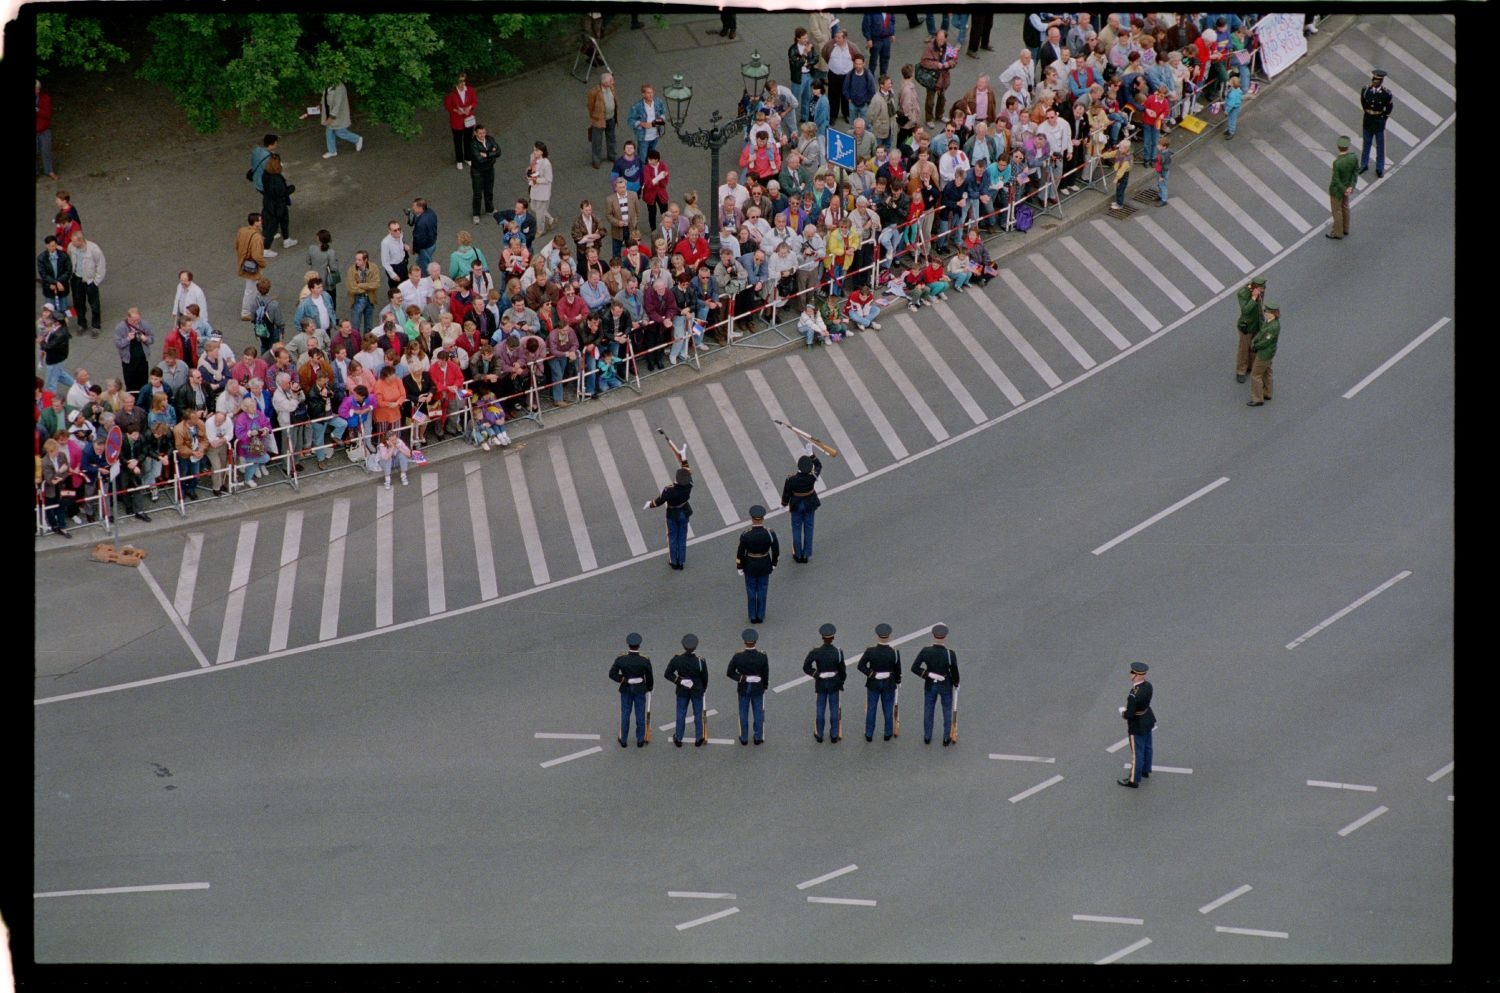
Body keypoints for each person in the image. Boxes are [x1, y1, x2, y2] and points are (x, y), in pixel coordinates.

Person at [911, 623, 959, 745]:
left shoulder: (926, 651)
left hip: (930, 684)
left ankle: (927, 736)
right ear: (945, 637)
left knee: (928, 710)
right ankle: (946, 737)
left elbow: (915, 668)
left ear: (933, 636)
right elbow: (954, 671)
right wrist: (956, 683)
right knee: (947, 711)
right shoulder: (950, 653)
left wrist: (928, 674)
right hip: (945, 685)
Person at [735, 504, 780, 624]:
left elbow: (741, 551)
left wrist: (739, 566)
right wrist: (774, 562)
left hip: (750, 564)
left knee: (751, 591)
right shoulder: (769, 533)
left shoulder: (746, 534)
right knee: (762, 590)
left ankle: (752, 615)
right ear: (763, 518)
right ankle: (760, 615)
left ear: (752, 519)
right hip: (765, 564)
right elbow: (775, 549)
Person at [856, 622, 901, 742]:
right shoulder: (894, 652)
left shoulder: (870, 651)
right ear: (889, 636)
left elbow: (861, 666)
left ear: (878, 636)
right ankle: (887, 733)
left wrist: (871, 674)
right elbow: (897, 669)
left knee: (871, 708)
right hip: (889, 683)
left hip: (873, 683)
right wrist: (898, 680)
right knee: (887, 709)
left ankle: (869, 734)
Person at [802, 622, 845, 743]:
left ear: (822, 637)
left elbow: (806, 667)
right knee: (834, 709)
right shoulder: (838, 652)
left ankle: (820, 734)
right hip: (834, 682)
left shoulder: (816, 652)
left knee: (820, 708)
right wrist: (841, 681)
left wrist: (815, 674)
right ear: (833, 638)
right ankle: (834, 734)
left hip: (820, 682)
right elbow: (842, 670)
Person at [609, 632, 654, 748]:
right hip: (640, 689)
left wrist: (622, 679)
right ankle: (640, 740)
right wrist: (649, 687)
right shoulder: (644, 660)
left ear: (628, 645)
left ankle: (623, 740)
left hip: (626, 688)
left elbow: (612, 674)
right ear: (639, 645)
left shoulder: (621, 658)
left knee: (625, 714)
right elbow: (649, 676)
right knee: (640, 715)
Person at [663, 633, 709, 747]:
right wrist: (703, 689)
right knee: (698, 714)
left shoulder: (677, 659)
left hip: (682, 689)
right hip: (697, 689)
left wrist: (679, 681)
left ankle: (678, 738)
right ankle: (699, 738)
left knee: (681, 713)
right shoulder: (700, 661)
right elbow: (705, 677)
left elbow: (668, 674)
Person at [726, 628, 769, 745]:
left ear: (744, 642)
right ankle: (757, 737)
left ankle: (744, 737)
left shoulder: (738, 656)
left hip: (743, 687)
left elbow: (730, 672)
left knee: (743, 712)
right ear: (755, 641)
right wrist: (765, 685)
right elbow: (765, 673)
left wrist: (742, 678)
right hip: (757, 687)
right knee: (758, 713)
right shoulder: (762, 656)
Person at [645, 465, 693, 570]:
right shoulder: (689, 485)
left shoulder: (669, 490)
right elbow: (688, 473)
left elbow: (659, 501)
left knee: (672, 538)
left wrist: (650, 504)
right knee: (682, 538)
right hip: (684, 512)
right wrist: (684, 459)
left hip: (672, 514)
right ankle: (681, 562)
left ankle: (674, 562)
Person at [1117, 661, 1157, 787]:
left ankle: (1134, 779)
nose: (1130, 674)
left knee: (1137, 752)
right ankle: (1146, 769)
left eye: (1132, 672)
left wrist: (1122, 712)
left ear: (1137, 675)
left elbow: (1129, 714)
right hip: (1147, 719)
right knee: (1147, 747)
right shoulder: (1148, 686)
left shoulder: (1133, 695)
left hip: (1137, 725)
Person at [780, 448, 822, 563]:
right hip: (809, 503)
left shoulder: (791, 479)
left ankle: (798, 554)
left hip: (797, 504)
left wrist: (784, 504)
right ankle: (806, 554)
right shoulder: (812, 477)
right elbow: (819, 465)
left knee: (796, 529)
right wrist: (811, 454)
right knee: (809, 528)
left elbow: (786, 493)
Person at [302, 80, 362, 158]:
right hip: (329, 113)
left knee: (340, 132)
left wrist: (331, 117)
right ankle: (332, 151)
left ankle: (357, 139)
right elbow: (325, 97)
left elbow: (337, 105)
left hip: (338, 115)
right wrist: (320, 105)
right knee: (329, 132)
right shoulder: (327, 85)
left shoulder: (339, 87)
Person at [67, 231, 106, 337]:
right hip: (77, 279)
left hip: (89, 281)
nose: (72, 243)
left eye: (74, 241)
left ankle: (96, 326)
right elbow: (69, 260)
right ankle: (81, 324)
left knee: (94, 304)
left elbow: (101, 266)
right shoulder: (71, 247)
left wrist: (96, 282)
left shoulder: (94, 249)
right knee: (79, 303)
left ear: (81, 240)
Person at [235, 214, 270, 321]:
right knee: (251, 289)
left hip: (244, 263)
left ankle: (257, 305)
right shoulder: (257, 237)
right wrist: (263, 263)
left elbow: (236, 245)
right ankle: (246, 312)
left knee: (253, 287)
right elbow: (257, 256)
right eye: (260, 220)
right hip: (252, 266)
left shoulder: (241, 231)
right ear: (255, 222)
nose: (261, 222)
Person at [1360, 68, 1393, 178]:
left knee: (1380, 146)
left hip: (1378, 121)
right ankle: (1364, 164)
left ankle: (1379, 168)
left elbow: (1389, 107)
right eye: (1373, 80)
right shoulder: (1366, 90)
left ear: (1380, 82)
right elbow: (1363, 102)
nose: (1373, 82)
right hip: (1368, 120)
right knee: (1366, 144)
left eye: (1376, 81)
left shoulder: (1386, 93)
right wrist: (1368, 112)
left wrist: (1384, 118)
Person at [113, 308, 154, 395]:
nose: (137, 322)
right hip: (129, 362)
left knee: (143, 382)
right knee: (130, 384)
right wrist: (128, 339)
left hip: (142, 360)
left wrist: (145, 338)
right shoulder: (120, 327)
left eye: (138, 320)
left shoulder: (144, 324)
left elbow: (152, 339)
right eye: (134, 320)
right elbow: (118, 344)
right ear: (128, 317)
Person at [1247, 302, 1280, 407]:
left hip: (1264, 354)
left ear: (1273, 314)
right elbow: (1261, 333)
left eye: (1267, 311)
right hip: (1268, 353)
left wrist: (1256, 346)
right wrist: (1255, 340)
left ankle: (1257, 398)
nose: (1265, 313)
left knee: (1255, 375)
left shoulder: (1273, 327)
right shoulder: (1270, 322)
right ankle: (1267, 392)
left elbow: (1266, 341)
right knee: (1267, 371)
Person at [1234, 276, 1266, 383]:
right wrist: (1253, 298)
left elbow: (1260, 307)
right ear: (1255, 287)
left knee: (1253, 346)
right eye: (1261, 288)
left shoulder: (1260, 291)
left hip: (1257, 323)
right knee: (1244, 349)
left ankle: (1251, 366)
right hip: (1246, 325)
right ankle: (1241, 370)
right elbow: (1245, 310)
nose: (1263, 290)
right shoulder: (1243, 293)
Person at [443, 72, 478, 170]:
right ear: (456, 82)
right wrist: (455, 110)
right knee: (458, 141)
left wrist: (470, 107)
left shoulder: (470, 90)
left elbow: (474, 101)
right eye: (461, 81)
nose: (463, 83)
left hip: (468, 119)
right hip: (457, 121)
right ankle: (459, 160)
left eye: (464, 81)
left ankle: (467, 158)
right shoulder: (452, 94)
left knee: (468, 139)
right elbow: (447, 105)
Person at [1327, 135, 1358, 240]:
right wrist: (1350, 187)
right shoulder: (1353, 157)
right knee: (1345, 207)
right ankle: (1346, 229)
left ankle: (1337, 232)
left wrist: (1343, 189)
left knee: (1337, 211)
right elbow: (1355, 173)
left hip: (1337, 190)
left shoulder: (1337, 163)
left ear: (1338, 147)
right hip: (1347, 187)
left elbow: (1336, 179)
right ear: (1348, 147)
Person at [587, 72, 620, 169]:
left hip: (611, 118)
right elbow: (590, 106)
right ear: (604, 83)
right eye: (611, 80)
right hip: (599, 120)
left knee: (611, 137)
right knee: (597, 141)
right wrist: (594, 117)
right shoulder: (594, 92)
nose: (613, 82)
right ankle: (596, 160)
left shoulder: (612, 88)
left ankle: (612, 156)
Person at [627, 83, 667, 158]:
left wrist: (658, 121)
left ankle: (648, 169)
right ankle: (642, 169)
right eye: (648, 93)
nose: (651, 95)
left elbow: (663, 113)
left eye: (652, 92)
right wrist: (641, 123)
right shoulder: (637, 106)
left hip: (655, 135)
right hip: (643, 138)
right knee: (642, 158)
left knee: (651, 157)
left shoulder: (658, 102)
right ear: (643, 94)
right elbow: (630, 120)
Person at [1101, 129, 1133, 211]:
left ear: (1126, 149)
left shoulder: (1126, 159)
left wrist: (1116, 178)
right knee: (1118, 188)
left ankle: (1120, 204)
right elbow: (1112, 154)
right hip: (1119, 173)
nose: (1119, 149)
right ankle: (1117, 202)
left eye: (1121, 148)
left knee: (1120, 190)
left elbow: (1122, 170)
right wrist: (1103, 155)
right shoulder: (1119, 151)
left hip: (1123, 175)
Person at [36, 78, 58, 180]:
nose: (37, 91)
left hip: (44, 129)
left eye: (38, 89)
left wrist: (37, 110)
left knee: (46, 151)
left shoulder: (45, 98)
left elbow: (47, 114)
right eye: (36, 89)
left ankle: (49, 170)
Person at [409, 198, 438, 270]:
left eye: (414, 207)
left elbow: (419, 239)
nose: (412, 208)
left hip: (425, 248)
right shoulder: (431, 212)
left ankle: (427, 278)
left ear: (420, 208)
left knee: (423, 265)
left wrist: (414, 250)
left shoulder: (421, 224)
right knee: (427, 259)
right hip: (432, 242)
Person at [1222, 75, 1243, 140]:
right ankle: (1229, 129)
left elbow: (1230, 104)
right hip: (1235, 108)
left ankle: (1231, 132)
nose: (1228, 82)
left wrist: (1226, 111)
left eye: (1230, 81)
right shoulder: (1236, 90)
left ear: (1233, 84)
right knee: (1230, 119)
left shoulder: (1233, 94)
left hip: (1233, 109)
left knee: (1232, 120)